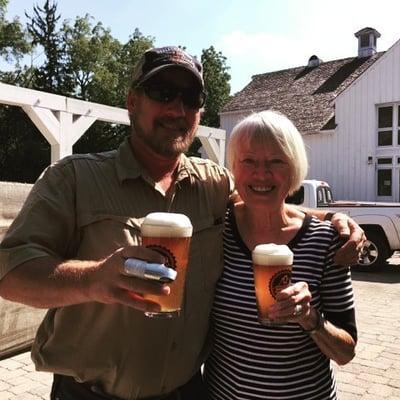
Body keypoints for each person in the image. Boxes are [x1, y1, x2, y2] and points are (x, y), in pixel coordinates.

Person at [0, 47, 362, 400]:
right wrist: (94, 279)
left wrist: (332, 219)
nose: (177, 108)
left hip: (188, 391)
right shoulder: (74, 179)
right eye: (162, 92)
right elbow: (10, 273)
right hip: (90, 393)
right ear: (132, 101)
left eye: (190, 97)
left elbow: (265, 201)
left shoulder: (212, 183)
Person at [203, 110, 357, 400]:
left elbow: (346, 351)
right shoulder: (214, 228)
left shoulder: (325, 241)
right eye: (248, 161)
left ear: (294, 169)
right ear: (234, 168)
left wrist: (310, 318)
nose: (261, 174)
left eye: (276, 161)